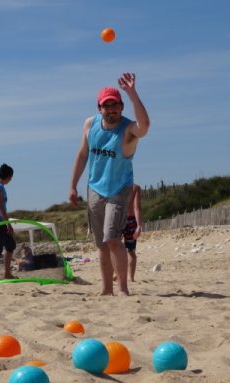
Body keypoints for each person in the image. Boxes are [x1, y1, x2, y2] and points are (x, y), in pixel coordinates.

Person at [69, 73, 150, 296]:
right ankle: (106, 289)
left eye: (115, 105)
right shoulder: (90, 124)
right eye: (107, 106)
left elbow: (145, 126)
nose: (111, 109)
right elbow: (83, 154)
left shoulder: (128, 129)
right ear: (100, 108)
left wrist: (132, 94)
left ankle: (123, 288)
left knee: (113, 239)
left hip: (119, 189)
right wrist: (73, 185)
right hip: (94, 188)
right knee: (101, 244)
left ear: (122, 107)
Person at [123, 183, 142, 282]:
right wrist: (139, 225)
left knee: (114, 249)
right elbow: (137, 208)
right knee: (130, 251)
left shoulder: (115, 185)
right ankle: (131, 278)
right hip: (130, 220)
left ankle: (117, 274)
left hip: (117, 219)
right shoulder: (135, 188)